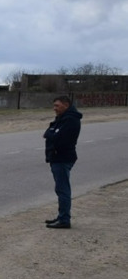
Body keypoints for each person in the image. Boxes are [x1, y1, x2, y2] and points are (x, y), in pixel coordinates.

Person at [43, 95, 82, 229]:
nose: (55, 109)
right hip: (57, 158)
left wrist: (51, 134)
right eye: (54, 106)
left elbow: (57, 137)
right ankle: (61, 216)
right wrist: (51, 133)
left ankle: (64, 219)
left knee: (63, 189)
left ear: (66, 105)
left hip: (62, 158)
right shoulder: (62, 118)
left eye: (57, 106)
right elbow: (49, 132)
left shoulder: (71, 120)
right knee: (60, 189)